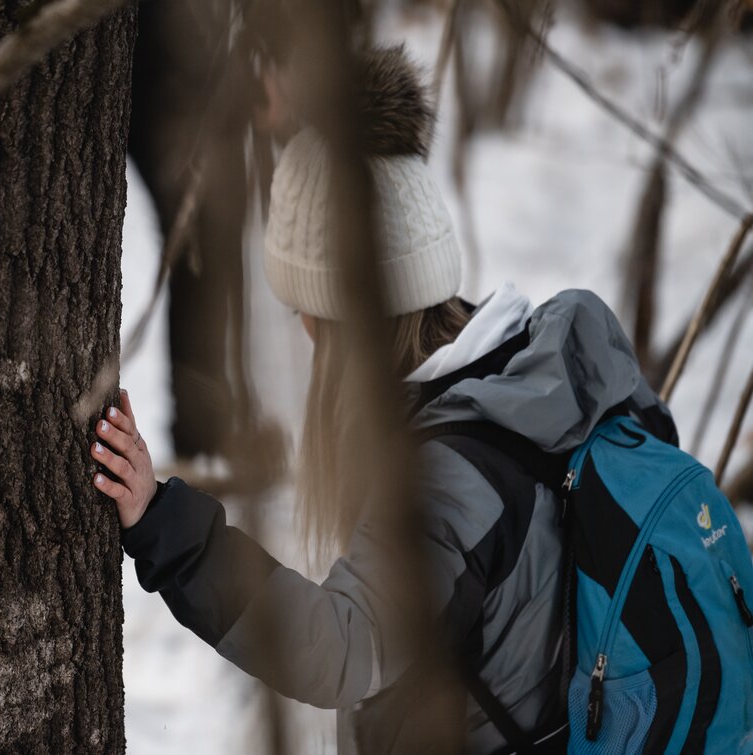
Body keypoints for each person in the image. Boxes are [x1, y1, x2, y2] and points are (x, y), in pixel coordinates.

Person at [87, 47, 676, 754]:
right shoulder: (551, 378)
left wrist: (164, 527)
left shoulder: (445, 480)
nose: (301, 334)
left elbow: (340, 650)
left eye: (304, 313)